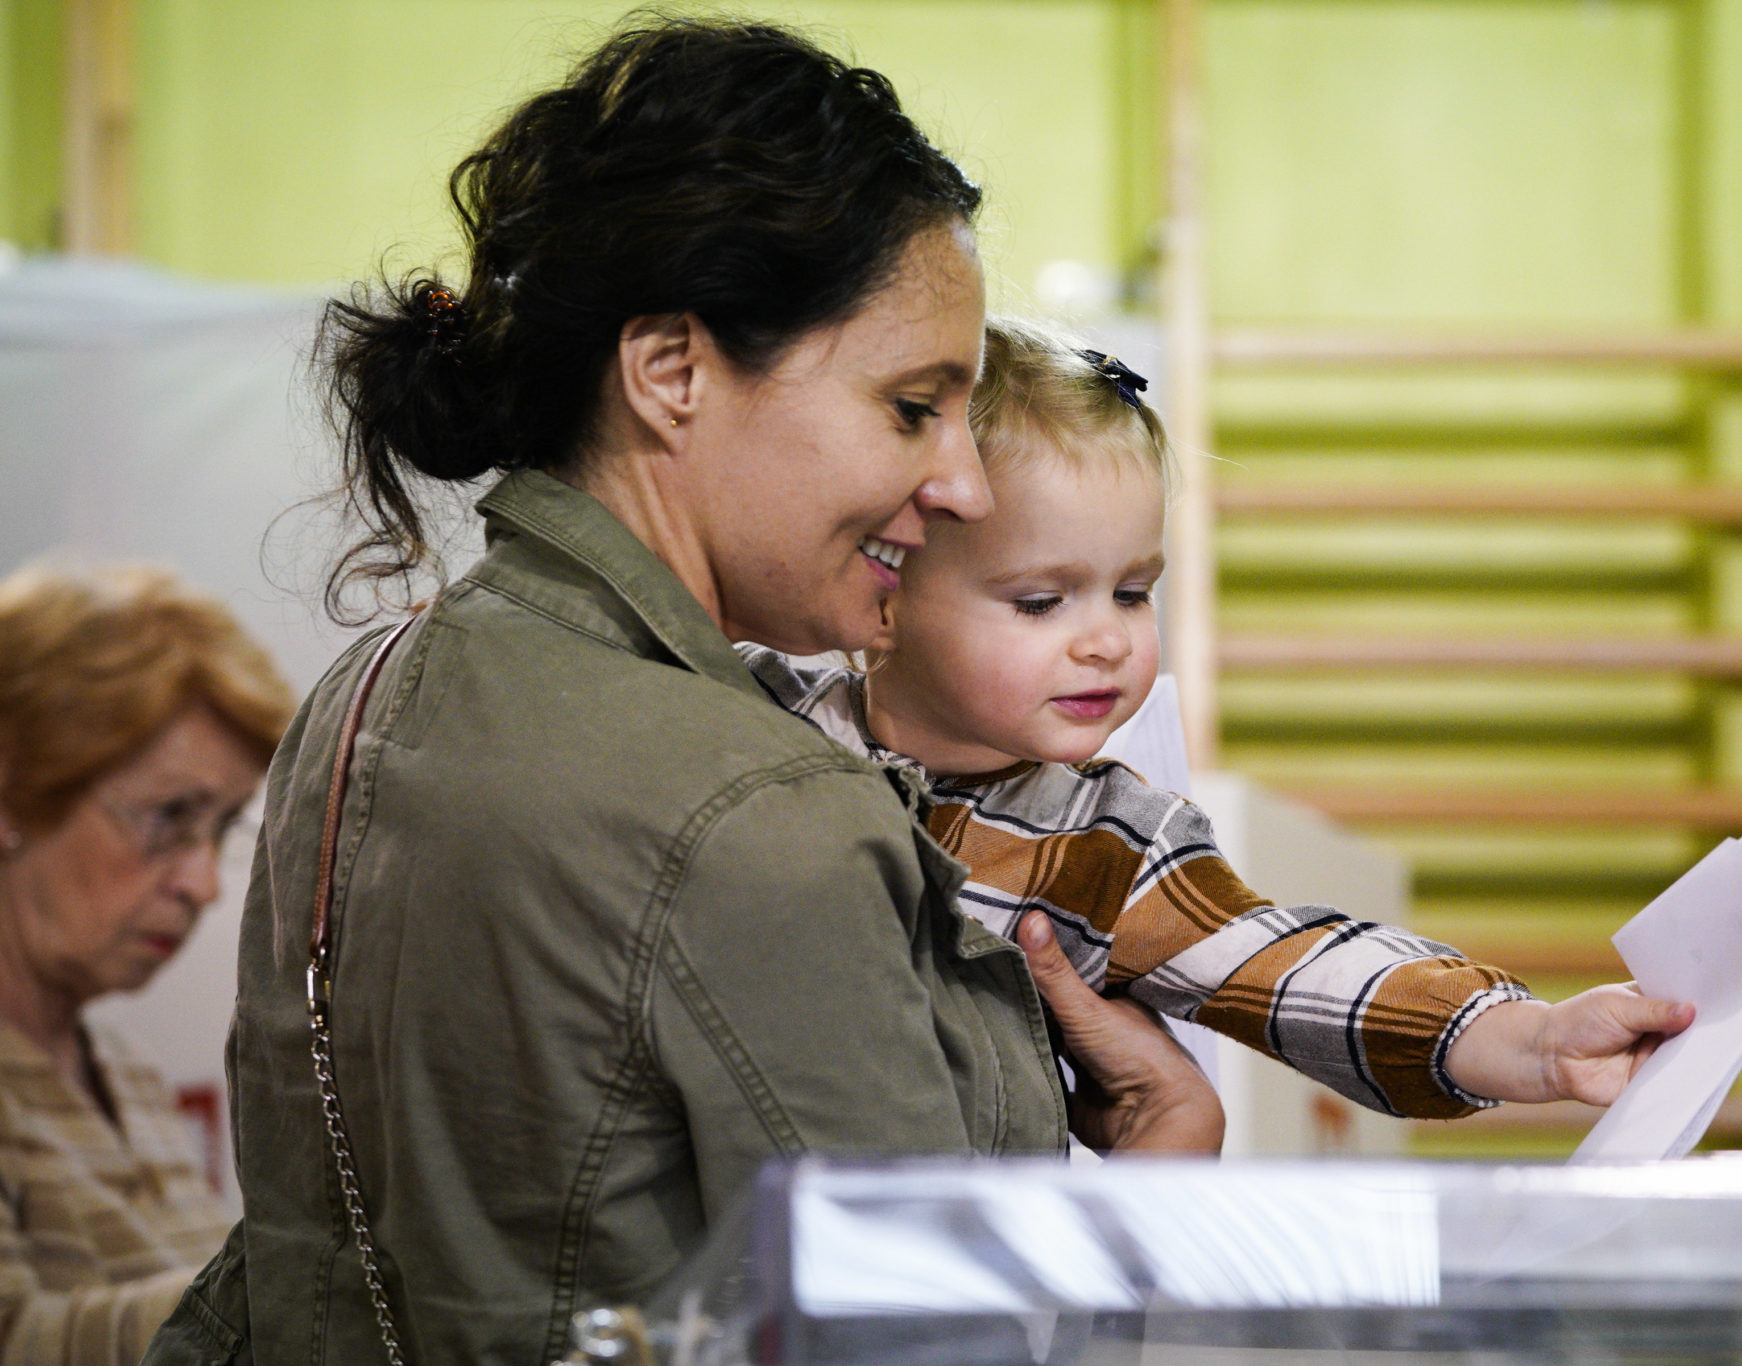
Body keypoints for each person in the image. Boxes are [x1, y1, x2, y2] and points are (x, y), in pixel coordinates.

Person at [145, 20, 1219, 1366]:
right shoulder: (766, 813)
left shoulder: (363, 697)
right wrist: (1153, 1196)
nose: (965, 484)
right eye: (911, 407)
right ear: (670, 371)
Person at [744, 316, 1696, 1120]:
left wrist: (1532, 1044)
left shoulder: (1109, 848)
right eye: (1041, 601)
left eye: (1131, 592)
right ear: (887, 585)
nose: (1106, 642)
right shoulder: (757, 712)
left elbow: (1296, 967)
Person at [0, 564, 294, 1366]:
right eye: (169, 817)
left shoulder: (123, 1071)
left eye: (220, 826)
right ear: (13, 789)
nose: (202, 884)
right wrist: (311, 1272)